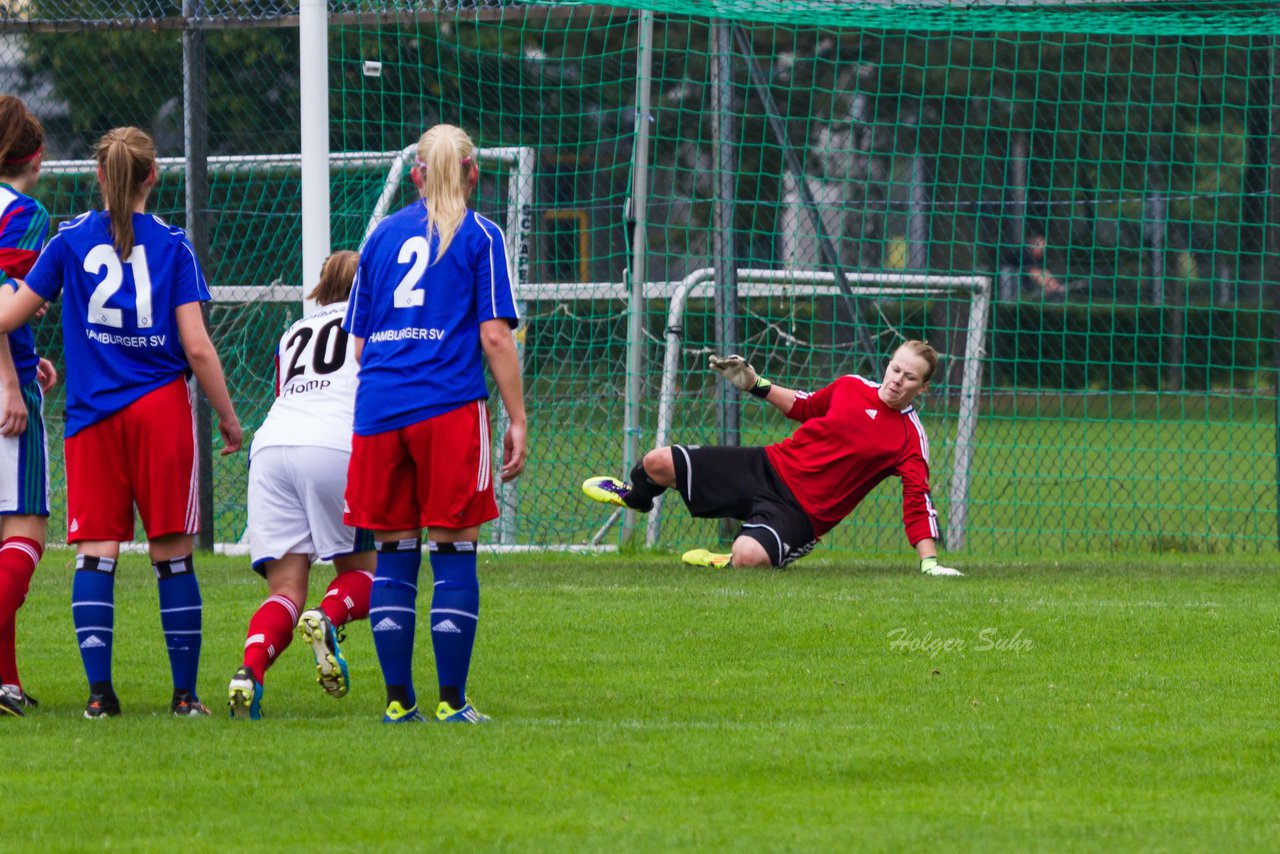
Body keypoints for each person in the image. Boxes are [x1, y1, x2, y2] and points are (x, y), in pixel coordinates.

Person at [0, 126, 243, 718]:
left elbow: (7, 315)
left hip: (92, 417)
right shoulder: (174, 245)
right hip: (160, 411)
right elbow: (198, 347)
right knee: (173, 552)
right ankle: (184, 697)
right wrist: (231, 421)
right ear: (152, 177)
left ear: (100, 177)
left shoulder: (68, 242)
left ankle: (99, 697)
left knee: (96, 552)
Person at [342, 123, 526, 724]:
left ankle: (399, 702)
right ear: (473, 173)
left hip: (379, 411)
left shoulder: (379, 238)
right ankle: (452, 702)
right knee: (453, 550)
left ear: (417, 175)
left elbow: (362, 346)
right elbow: (495, 336)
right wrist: (517, 418)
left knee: (394, 550)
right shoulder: (480, 235)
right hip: (447, 408)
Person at [583, 341, 963, 576]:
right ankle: (636, 498)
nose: (897, 379)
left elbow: (917, 499)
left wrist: (928, 562)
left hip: (801, 514)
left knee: (748, 557)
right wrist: (754, 384)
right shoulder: (851, 386)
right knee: (657, 462)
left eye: (910, 377)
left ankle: (731, 560)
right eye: (895, 368)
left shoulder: (910, 437)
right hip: (767, 466)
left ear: (923, 387)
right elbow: (805, 406)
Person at [227, 250, 374, 720]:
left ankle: (249, 673)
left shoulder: (293, 332)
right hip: (334, 444)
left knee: (285, 591)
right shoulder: (368, 324)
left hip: (271, 449)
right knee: (371, 572)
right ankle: (329, 617)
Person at [0, 96, 60, 718]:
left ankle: (6, 681)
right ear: (35, 157)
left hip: (14, 359)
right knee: (24, 535)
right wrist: (13, 384)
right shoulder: (26, 212)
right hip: (2, 389)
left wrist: (28, 347)